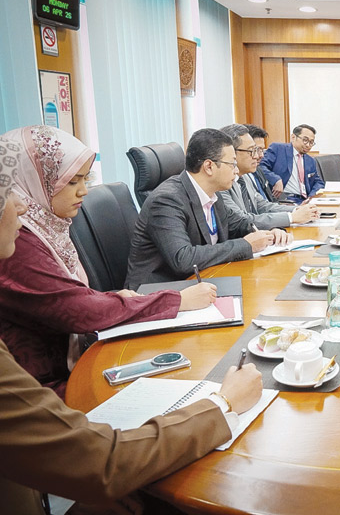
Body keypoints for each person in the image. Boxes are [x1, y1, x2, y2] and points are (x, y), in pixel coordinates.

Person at [0, 139, 264, 515]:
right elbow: (99, 462)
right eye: (9, 195)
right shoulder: (21, 248)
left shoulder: (49, 229)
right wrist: (222, 404)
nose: (23, 205)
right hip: (63, 402)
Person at [0, 126, 216, 398]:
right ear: (32, 181)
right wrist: (176, 300)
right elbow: (76, 308)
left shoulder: (48, 226)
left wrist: (111, 298)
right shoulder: (15, 239)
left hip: (68, 365)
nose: (84, 191)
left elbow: (61, 296)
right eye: (72, 181)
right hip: (42, 390)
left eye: (85, 179)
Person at [125, 128, 290, 290]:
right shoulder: (167, 200)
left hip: (203, 281)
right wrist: (247, 245)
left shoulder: (212, 194)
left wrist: (269, 233)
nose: (236, 170)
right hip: (158, 293)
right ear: (209, 166)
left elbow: (238, 224)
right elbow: (183, 259)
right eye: (232, 164)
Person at [218, 124, 319, 229]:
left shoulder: (245, 177)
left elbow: (262, 205)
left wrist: (297, 210)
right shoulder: (220, 185)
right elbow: (242, 221)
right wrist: (291, 217)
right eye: (252, 150)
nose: (258, 156)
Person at [259, 123, 325, 204]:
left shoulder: (310, 160)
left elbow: (318, 182)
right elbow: (260, 167)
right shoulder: (278, 149)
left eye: (311, 142)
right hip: (285, 200)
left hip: (304, 200)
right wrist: (276, 179)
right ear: (293, 137)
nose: (308, 145)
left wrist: (311, 197)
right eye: (305, 140)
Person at [243, 123, 276, 201]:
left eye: (262, 150)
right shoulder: (237, 179)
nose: (261, 155)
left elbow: (269, 201)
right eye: (256, 150)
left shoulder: (258, 170)